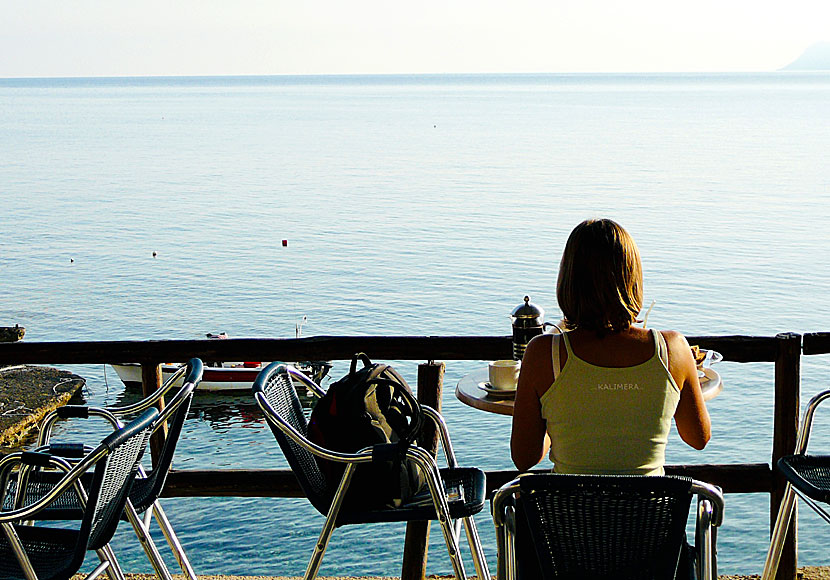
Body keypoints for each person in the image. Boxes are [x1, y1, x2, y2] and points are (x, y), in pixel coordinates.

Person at [509, 218, 711, 578]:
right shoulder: (674, 349)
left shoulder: (543, 354)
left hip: (565, 545)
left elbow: (525, 458)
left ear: (568, 280)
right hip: (652, 545)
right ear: (632, 278)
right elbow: (698, 438)